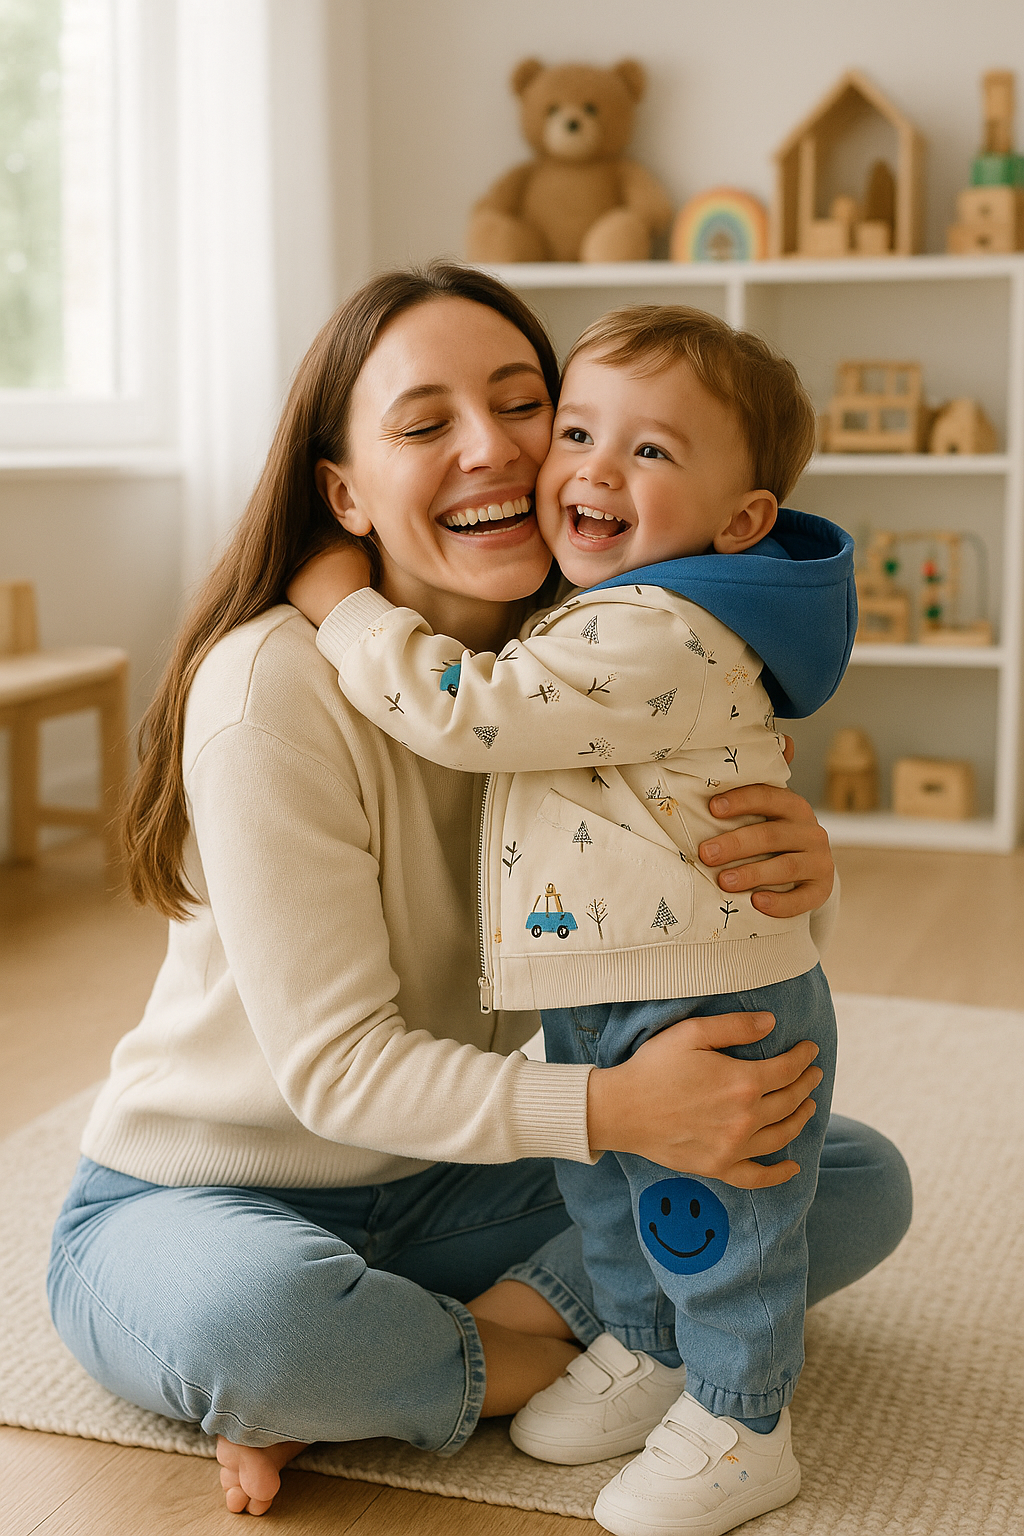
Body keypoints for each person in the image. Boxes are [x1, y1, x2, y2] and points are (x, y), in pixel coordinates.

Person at [46, 264, 910, 1522]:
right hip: (219, 1191)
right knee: (257, 1323)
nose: (496, 452)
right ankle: (502, 1355)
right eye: (422, 423)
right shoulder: (275, 691)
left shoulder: (602, 650)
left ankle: (403, 1364)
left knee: (846, 1173)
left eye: (525, 407)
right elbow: (338, 1073)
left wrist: (797, 875)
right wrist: (615, 1109)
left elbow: (671, 928)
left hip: (471, 1173)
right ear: (342, 491)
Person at [288, 304, 858, 1536]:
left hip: (702, 992)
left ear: (742, 521)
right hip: (602, 989)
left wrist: (347, 612)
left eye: (650, 453)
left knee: (729, 1217)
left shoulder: (655, 626)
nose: (591, 469)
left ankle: (741, 1419)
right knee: (610, 1195)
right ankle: (647, 1350)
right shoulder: (601, 609)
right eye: (584, 431)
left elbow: (468, 709)